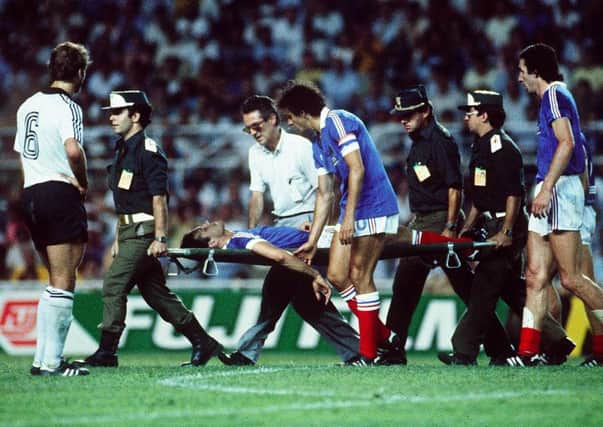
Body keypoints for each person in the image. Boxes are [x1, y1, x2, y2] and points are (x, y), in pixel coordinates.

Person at [76, 91, 222, 368]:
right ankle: (203, 342)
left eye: (118, 112)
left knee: (114, 285)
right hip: (129, 230)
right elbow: (125, 201)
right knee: (155, 293)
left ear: (136, 115)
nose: (111, 117)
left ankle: (107, 352)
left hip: (145, 232)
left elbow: (159, 198)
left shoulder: (148, 150)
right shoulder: (122, 149)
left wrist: (160, 237)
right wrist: (120, 234)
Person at [219, 95, 361, 366]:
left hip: (309, 225)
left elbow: (327, 191)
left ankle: (246, 353)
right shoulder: (254, 154)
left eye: (257, 126)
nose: (253, 133)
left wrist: (323, 231)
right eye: (248, 128)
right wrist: (252, 235)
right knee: (307, 301)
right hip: (280, 226)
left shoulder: (301, 147)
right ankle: (358, 352)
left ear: (273, 119)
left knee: (276, 288)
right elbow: (256, 196)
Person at [386, 84, 516, 365]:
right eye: (400, 115)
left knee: (407, 281)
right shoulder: (420, 140)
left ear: (425, 111)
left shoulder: (440, 141)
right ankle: (500, 349)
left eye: (408, 114)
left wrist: (449, 226)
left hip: (438, 220)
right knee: (465, 288)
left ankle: (393, 348)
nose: (402, 120)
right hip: (423, 219)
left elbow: (454, 187)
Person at [277, 80, 400, 364]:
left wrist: (347, 218)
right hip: (353, 208)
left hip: (374, 206)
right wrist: (312, 240)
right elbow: (325, 192)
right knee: (336, 275)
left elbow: (357, 169)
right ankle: (385, 338)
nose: (290, 124)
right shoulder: (318, 142)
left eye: (290, 118)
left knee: (359, 275)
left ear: (302, 112)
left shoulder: (339, 122)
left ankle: (369, 354)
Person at [515, 43, 603, 366]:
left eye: (522, 71)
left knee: (572, 278)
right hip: (551, 187)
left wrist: (547, 189)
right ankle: (527, 351)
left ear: (536, 71)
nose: (519, 78)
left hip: (557, 188)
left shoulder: (553, 95)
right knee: (535, 276)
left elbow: (567, 145)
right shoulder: (552, 99)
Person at [15, 41, 91, 376]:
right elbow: (73, 151)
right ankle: (53, 362)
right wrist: (83, 181)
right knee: (64, 277)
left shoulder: (26, 106)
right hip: (58, 191)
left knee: (54, 279)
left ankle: (40, 359)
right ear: (80, 72)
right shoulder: (68, 107)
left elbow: (23, 155)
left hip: (30, 193)